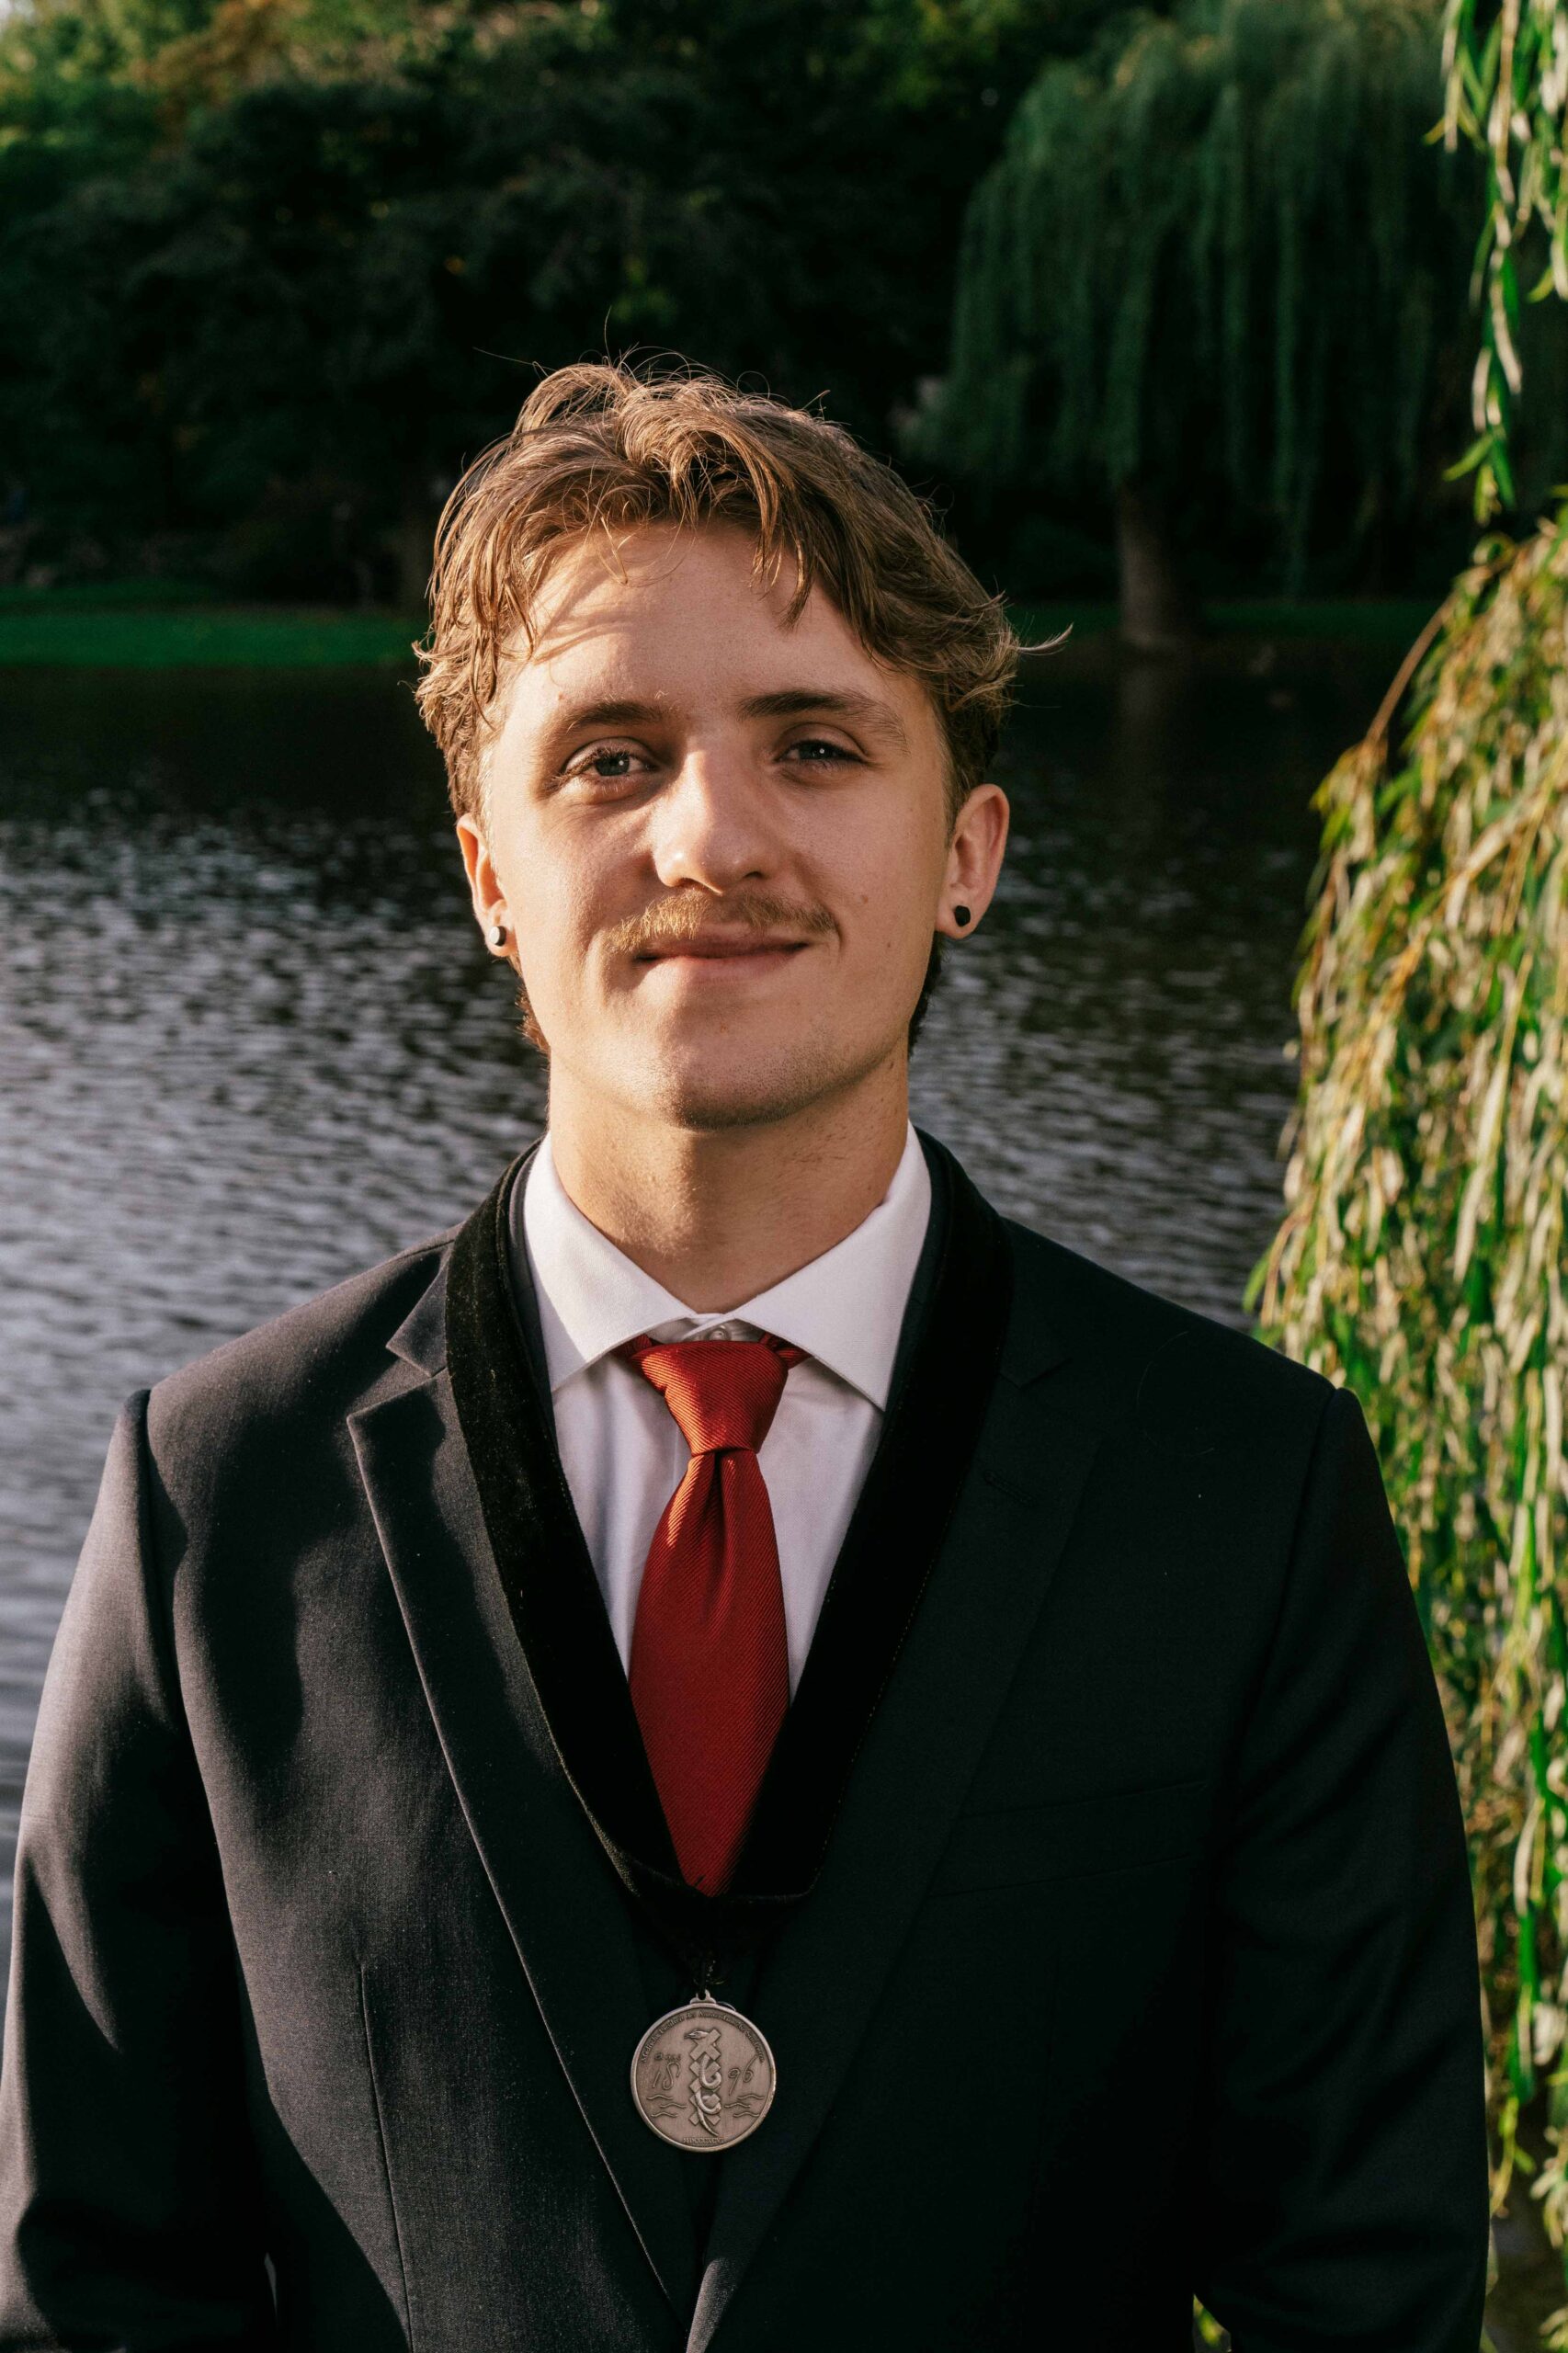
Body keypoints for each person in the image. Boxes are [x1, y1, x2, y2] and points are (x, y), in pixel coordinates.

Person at [0, 361, 1489, 2352]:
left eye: (814, 745)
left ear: (965, 853)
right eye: (611, 756)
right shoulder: (218, 1494)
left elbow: (1361, 2287)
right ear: (488, 875)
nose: (710, 837)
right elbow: (96, 2290)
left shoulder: (1244, 1493)